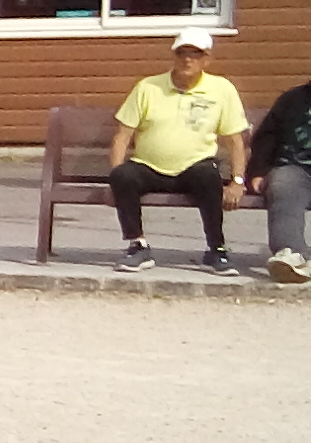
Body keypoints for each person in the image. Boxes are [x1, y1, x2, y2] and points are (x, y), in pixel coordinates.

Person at [108, 29, 248, 276]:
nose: (187, 59)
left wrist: (237, 181)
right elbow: (123, 136)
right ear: (174, 56)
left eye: (196, 54)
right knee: (123, 176)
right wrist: (114, 176)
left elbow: (235, 141)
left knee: (208, 175)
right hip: (148, 166)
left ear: (207, 59)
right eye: (182, 53)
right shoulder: (148, 87)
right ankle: (138, 245)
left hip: (194, 166)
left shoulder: (221, 89)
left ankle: (217, 249)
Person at [245, 72, 311, 282]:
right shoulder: (292, 100)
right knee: (282, 185)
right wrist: (257, 171)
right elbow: (266, 137)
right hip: (294, 169)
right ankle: (291, 255)